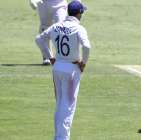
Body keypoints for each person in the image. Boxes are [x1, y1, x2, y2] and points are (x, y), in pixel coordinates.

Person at [35, 1, 91, 140]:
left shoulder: (56, 26)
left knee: (60, 103)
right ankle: (62, 138)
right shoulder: (79, 28)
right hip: (72, 70)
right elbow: (87, 46)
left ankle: (58, 136)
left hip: (58, 67)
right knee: (68, 106)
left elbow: (39, 39)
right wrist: (83, 63)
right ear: (79, 13)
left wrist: (51, 57)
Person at [29, 0, 81, 65]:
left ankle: (65, 55)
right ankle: (47, 57)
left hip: (60, 4)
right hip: (43, 4)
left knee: (61, 27)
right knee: (45, 27)